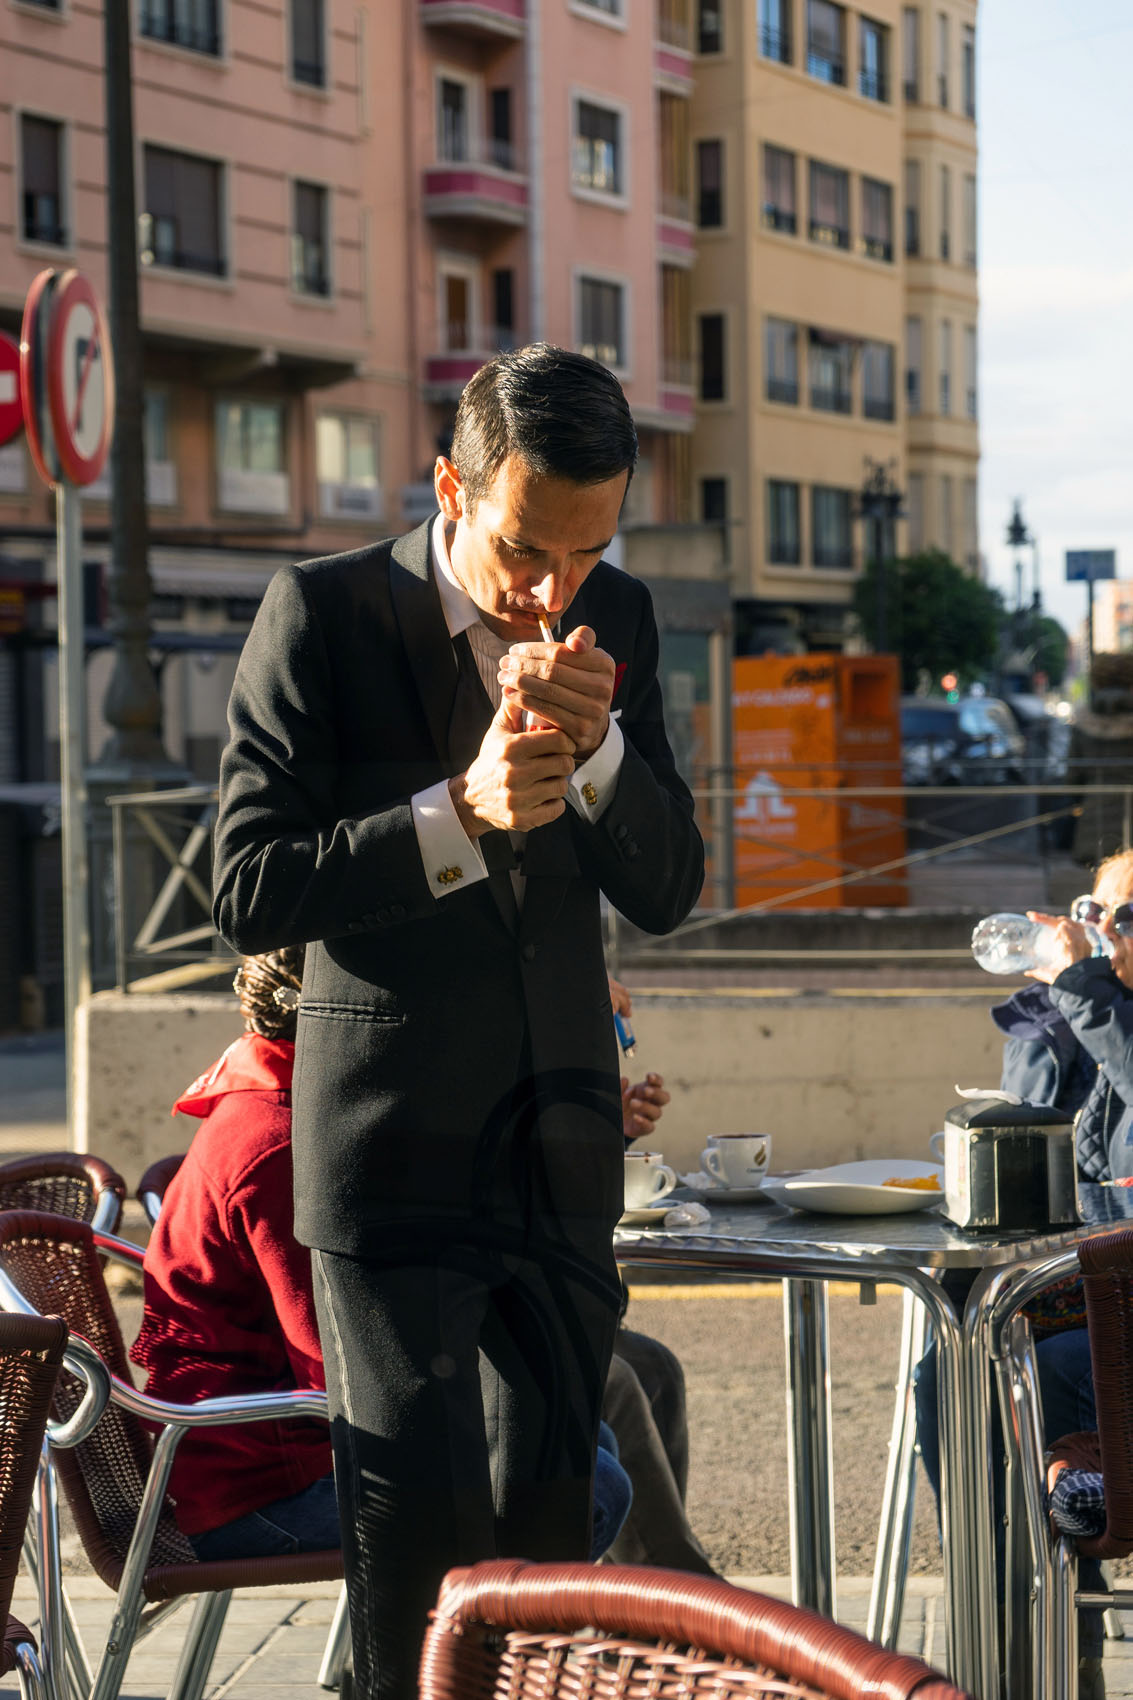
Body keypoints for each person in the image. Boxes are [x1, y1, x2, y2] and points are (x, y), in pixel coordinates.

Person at [211, 344, 705, 1700]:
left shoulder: (623, 620)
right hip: (391, 1163)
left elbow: (666, 888)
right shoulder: (318, 614)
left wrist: (601, 757)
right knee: (418, 1556)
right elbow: (244, 885)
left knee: (555, 1561)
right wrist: (457, 815)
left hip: (559, 1153)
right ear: (451, 486)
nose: (554, 593)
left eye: (589, 554)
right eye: (525, 551)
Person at [131, 949, 632, 1563]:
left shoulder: (285, 1102)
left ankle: (428, 1653)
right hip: (264, 1489)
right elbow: (339, 1363)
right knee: (583, 1482)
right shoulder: (284, 1147)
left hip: (285, 1448)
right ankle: (452, 1655)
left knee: (563, 1434)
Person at [916, 849, 1133, 1700]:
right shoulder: (1091, 1021)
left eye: (1125, 917)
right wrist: (1063, 1015)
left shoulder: (1107, 1012)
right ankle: (1015, 1632)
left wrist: (1086, 990)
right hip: (1094, 1302)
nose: (1099, 930)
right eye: (1093, 908)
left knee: (1013, 1384)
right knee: (954, 1370)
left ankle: (1032, 1641)